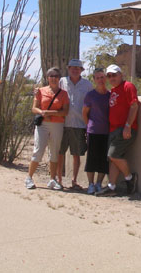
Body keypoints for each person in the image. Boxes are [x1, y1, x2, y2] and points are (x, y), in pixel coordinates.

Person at [97, 64, 139, 196]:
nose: (111, 78)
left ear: (121, 75)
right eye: (109, 76)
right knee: (114, 158)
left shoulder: (128, 86)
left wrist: (127, 125)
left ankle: (130, 179)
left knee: (113, 155)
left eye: (114, 75)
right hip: (113, 129)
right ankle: (112, 186)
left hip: (125, 129)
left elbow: (134, 105)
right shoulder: (114, 90)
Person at [25, 67, 69, 190]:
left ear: (59, 78)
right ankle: (29, 177)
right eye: (51, 76)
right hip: (42, 125)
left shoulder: (64, 94)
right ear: (47, 78)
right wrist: (42, 112)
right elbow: (34, 108)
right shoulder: (41, 91)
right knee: (38, 150)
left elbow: (65, 111)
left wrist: (49, 112)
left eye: (56, 76)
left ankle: (52, 179)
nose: (53, 78)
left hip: (57, 125)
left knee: (54, 152)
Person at [57, 59, 93, 190]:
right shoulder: (62, 81)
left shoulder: (87, 85)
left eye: (77, 68)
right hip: (62, 123)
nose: (75, 70)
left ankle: (74, 180)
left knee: (76, 153)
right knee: (59, 152)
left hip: (79, 124)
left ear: (81, 70)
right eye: (72, 67)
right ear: (68, 68)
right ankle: (59, 179)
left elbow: (91, 103)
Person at [82, 68, 111, 195]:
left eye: (102, 77)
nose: (100, 80)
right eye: (98, 77)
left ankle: (99, 183)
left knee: (103, 160)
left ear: (106, 78)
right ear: (94, 80)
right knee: (92, 159)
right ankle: (91, 184)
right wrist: (89, 126)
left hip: (106, 131)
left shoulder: (110, 95)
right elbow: (84, 113)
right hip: (93, 131)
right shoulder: (91, 95)